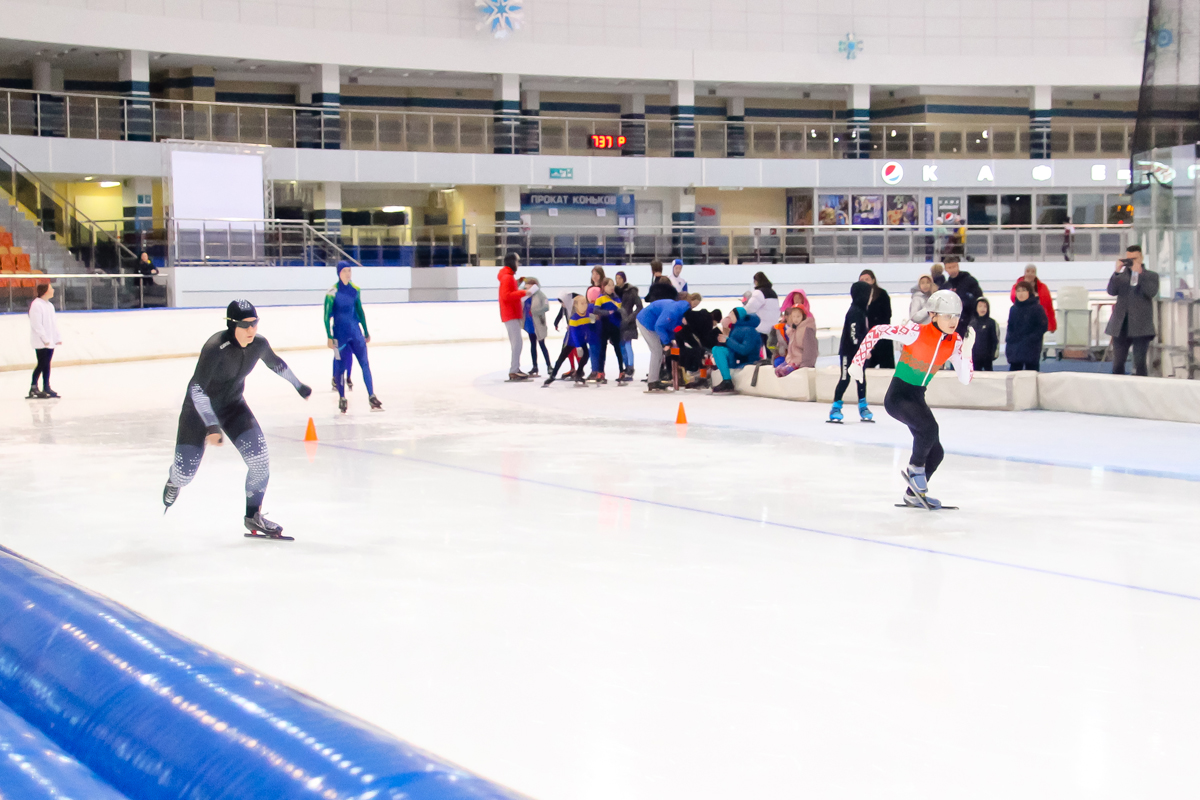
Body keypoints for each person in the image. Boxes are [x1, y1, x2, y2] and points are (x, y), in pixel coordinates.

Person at [162, 300, 312, 538]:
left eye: (255, 323)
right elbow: (197, 390)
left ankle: (253, 515)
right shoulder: (215, 348)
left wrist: (298, 385)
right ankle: (174, 479)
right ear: (232, 325)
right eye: (245, 325)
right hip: (197, 412)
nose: (251, 330)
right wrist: (212, 425)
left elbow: (275, 363)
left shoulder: (259, 344)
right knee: (185, 475)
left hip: (232, 406)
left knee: (260, 461)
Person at [848, 290, 973, 509]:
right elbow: (877, 331)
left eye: (956, 316)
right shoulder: (915, 331)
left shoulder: (954, 342)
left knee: (936, 452)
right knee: (929, 429)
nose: (953, 321)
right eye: (947, 316)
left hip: (917, 398)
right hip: (898, 397)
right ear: (933, 315)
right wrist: (857, 363)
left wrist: (968, 352)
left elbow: (965, 379)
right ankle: (915, 470)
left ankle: (912, 495)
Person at [325, 263, 381, 414]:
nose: (348, 274)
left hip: (356, 333)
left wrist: (366, 331)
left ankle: (372, 396)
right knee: (340, 367)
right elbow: (326, 316)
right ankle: (342, 397)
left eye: (349, 271)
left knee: (365, 363)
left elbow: (359, 310)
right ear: (339, 273)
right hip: (339, 336)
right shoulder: (332, 292)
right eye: (345, 271)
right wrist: (329, 336)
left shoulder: (355, 289)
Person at [1106, 244, 1159, 377]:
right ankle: (1118, 386)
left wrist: (1139, 274)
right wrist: (1117, 272)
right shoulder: (1121, 277)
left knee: (1139, 363)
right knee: (1117, 363)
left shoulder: (1151, 276)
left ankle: (1141, 387)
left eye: (1134, 259)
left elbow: (1151, 292)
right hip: (1121, 326)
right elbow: (1111, 291)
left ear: (1141, 258)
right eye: (1129, 259)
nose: (1132, 262)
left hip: (1141, 326)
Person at [829, 281, 873, 423]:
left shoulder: (862, 311)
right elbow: (854, 335)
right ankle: (836, 407)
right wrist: (862, 349)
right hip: (848, 353)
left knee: (861, 379)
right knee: (845, 378)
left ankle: (863, 406)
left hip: (858, 353)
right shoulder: (854, 312)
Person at [637, 294, 697, 392]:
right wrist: (667, 343)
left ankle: (654, 379)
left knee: (659, 351)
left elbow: (671, 328)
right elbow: (659, 326)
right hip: (646, 321)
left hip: (654, 322)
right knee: (657, 351)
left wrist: (673, 340)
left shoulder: (681, 311)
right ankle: (652, 381)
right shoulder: (673, 312)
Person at [711, 306, 761, 394]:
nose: (729, 316)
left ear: (738, 316)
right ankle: (726, 380)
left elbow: (745, 350)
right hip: (737, 358)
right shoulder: (736, 329)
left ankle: (727, 381)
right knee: (716, 349)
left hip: (747, 360)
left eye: (732, 314)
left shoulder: (749, 331)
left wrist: (727, 340)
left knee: (718, 350)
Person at [586, 278, 626, 384]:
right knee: (602, 350)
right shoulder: (600, 298)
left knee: (618, 349)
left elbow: (621, 310)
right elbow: (596, 310)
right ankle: (600, 372)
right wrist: (608, 312)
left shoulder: (617, 298)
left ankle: (621, 371)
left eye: (612, 285)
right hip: (604, 327)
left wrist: (619, 312)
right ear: (604, 287)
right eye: (609, 285)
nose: (611, 287)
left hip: (615, 327)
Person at [498, 252, 529, 381]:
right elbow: (507, 295)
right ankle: (514, 370)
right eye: (517, 261)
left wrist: (518, 283)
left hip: (511, 313)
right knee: (517, 343)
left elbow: (509, 290)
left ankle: (515, 369)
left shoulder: (508, 277)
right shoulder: (507, 277)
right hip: (511, 313)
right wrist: (524, 292)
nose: (519, 264)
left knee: (517, 343)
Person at [28, 282, 61, 399]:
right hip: (41, 341)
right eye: (51, 288)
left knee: (47, 364)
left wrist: (57, 337)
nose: (53, 290)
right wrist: (44, 338)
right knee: (42, 364)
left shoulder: (49, 305)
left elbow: (53, 323)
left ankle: (46, 386)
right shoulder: (36, 305)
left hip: (49, 341)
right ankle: (33, 387)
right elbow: (36, 324)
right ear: (45, 291)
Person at [1005, 281, 1048, 371]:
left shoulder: (1037, 308)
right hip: (1015, 348)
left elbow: (1042, 327)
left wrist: (1030, 339)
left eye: (1024, 290)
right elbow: (1010, 327)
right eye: (1018, 291)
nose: (1021, 293)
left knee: (1031, 374)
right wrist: (1010, 341)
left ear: (1029, 292)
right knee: (1014, 374)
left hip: (1031, 347)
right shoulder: (1013, 309)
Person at [859, 269, 894, 368]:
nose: (864, 282)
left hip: (882, 334)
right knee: (867, 366)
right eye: (862, 280)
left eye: (867, 279)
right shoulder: (859, 296)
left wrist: (878, 330)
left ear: (873, 280)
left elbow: (887, 314)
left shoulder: (882, 294)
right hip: (866, 335)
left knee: (886, 365)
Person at [1010, 264, 1057, 333]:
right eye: (1028, 271)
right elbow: (1013, 298)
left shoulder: (1043, 287)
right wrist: (1025, 287)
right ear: (1024, 273)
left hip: (1039, 321)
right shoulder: (1016, 286)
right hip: (1022, 321)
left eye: (1032, 272)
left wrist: (1052, 325)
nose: (1030, 274)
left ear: (1035, 274)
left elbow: (1049, 306)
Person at [773, 305, 818, 376]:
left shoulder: (807, 330)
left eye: (798, 316)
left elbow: (810, 350)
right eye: (794, 316)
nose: (796, 319)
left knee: (783, 372)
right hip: (791, 360)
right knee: (777, 371)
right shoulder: (793, 330)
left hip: (800, 362)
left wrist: (806, 365)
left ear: (803, 316)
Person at [615, 271, 643, 382]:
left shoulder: (631, 291)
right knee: (621, 346)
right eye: (616, 278)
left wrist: (631, 317)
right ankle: (626, 368)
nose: (617, 280)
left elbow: (639, 306)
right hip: (617, 321)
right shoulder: (614, 291)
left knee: (627, 344)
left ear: (624, 279)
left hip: (628, 322)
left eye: (619, 278)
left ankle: (630, 368)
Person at [942, 258, 982, 335]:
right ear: (945, 269)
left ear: (958, 266)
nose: (952, 270)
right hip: (953, 323)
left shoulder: (970, 281)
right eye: (949, 267)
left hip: (969, 320)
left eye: (954, 267)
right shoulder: (945, 286)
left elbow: (979, 299)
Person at [743, 272, 780, 352]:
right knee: (770, 351)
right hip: (773, 327)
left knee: (758, 351)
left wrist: (743, 308)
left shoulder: (759, 293)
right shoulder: (773, 292)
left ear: (756, 281)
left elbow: (750, 309)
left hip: (761, 327)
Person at [521, 277, 551, 377]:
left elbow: (546, 307)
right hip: (529, 323)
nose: (526, 287)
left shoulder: (540, 295)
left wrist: (535, 311)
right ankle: (535, 366)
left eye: (528, 284)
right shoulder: (525, 295)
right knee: (533, 345)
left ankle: (549, 366)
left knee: (542, 344)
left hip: (538, 323)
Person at [969, 298, 999, 372]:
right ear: (976, 308)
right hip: (975, 357)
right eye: (980, 306)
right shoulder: (971, 323)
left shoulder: (991, 323)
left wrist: (992, 354)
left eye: (985, 306)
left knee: (989, 375)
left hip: (987, 358)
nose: (982, 309)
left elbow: (994, 340)